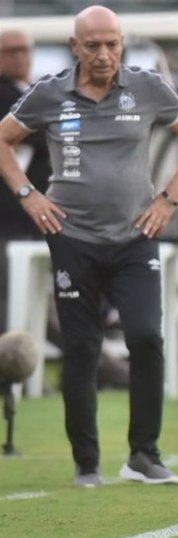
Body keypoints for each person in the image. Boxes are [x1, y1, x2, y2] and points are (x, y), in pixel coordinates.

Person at [0, 5, 178, 487]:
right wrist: (29, 196)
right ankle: (86, 464)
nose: (103, 54)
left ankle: (144, 455)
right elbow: (3, 140)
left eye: (111, 44)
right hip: (72, 239)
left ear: (122, 44)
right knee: (81, 348)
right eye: (92, 45)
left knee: (146, 337)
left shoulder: (147, 88)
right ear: (75, 47)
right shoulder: (50, 93)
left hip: (136, 239)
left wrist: (169, 198)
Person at [0, 29, 50, 332]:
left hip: (36, 215)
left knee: (34, 295)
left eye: (24, 49)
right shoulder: (7, 95)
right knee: (11, 294)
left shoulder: (35, 91)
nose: (20, 57)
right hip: (10, 215)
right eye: (11, 51)